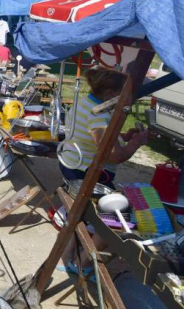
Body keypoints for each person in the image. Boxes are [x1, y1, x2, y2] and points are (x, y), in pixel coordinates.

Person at [58, 66, 149, 277]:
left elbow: (99, 139)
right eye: (123, 96)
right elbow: (113, 155)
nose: (127, 101)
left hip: (72, 164)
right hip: (85, 173)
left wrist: (124, 136)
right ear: (109, 94)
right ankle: (84, 262)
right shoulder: (97, 116)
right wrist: (136, 142)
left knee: (77, 212)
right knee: (120, 220)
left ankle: (67, 255)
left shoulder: (85, 101)